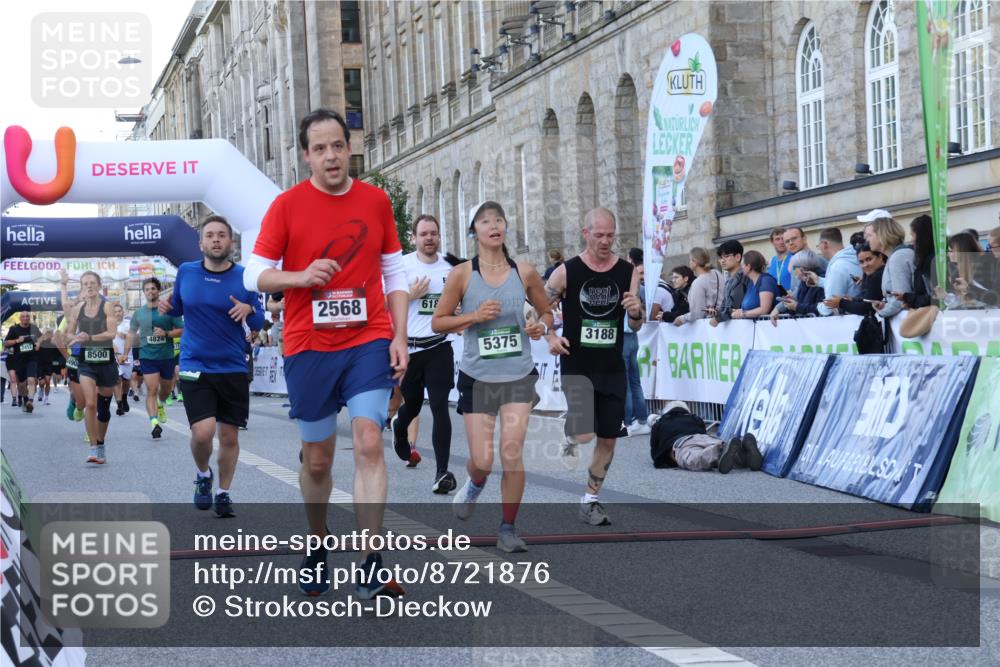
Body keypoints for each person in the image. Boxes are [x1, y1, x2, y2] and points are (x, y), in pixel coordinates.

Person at [243, 108, 409, 598]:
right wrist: (299, 276)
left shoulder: (376, 201)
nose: (332, 156)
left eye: (338, 145)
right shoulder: (287, 206)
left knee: (369, 441)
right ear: (307, 156)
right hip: (309, 345)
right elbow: (253, 275)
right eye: (321, 148)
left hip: (367, 339)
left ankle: (371, 560)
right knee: (317, 460)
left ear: (350, 146)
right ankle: (317, 547)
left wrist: (399, 336)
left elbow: (394, 275)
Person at [432, 201, 553, 551]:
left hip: (517, 375)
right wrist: (473, 317)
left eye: (499, 219)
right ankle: (474, 484)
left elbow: (548, 311)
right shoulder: (462, 275)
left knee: (511, 452)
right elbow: (440, 322)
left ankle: (507, 529)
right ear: (475, 231)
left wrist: (540, 326)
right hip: (479, 376)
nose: (494, 225)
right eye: (485, 221)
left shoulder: (525, 271)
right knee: (483, 461)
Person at [545, 207, 644, 527]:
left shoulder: (627, 271)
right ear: (585, 233)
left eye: (610, 235)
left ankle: (590, 499)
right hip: (577, 362)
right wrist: (549, 334)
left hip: (611, 364)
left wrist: (636, 311)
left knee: (608, 437)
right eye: (599, 235)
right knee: (585, 432)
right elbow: (539, 310)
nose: (605, 241)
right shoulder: (565, 272)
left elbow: (637, 325)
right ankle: (573, 428)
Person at [160, 216, 263, 518]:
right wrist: (168, 307)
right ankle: (203, 474)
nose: (216, 240)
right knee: (203, 433)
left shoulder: (245, 277)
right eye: (210, 235)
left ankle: (224, 493)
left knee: (229, 437)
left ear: (231, 243)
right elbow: (179, 305)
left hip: (232, 365)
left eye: (222, 235)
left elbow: (257, 320)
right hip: (195, 363)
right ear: (201, 243)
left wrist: (249, 309)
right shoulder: (187, 272)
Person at [391, 213, 458, 492]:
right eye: (424, 234)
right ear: (414, 238)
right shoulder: (402, 265)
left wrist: (461, 316)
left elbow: (462, 299)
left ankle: (442, 473)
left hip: (439, 346)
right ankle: (399, 428)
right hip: (410, 349)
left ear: (439, 236)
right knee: (414, 404)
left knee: (441, 405)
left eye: (433, 233)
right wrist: (410, 295)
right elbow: (383, 304)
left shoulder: (451, 266)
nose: (429, 238)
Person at [64, 272, 119, 464]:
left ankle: (101, 443)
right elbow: (69, 334)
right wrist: (75, 337)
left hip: (106, 362)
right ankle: (93, 447)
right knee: (90, 403)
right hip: (86, 363)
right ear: (81, 287)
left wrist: (89, 338)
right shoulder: (77, 308)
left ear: (99, 285)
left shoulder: (107, 306)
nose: (89, 286)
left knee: (103, 410)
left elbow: (112, 333)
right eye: (85, 283)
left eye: (92, 283)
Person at [126, 277, 184, 438]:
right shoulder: (139, 313)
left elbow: (182, 329)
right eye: (147, 289)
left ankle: (161, 404)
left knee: (165, 390)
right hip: (147, 356)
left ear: (158, 291)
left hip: (166, 356)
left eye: (153, 288)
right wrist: (125, 353)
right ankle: (154, 423)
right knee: (152, 389)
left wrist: (166, 333)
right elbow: (131, 334)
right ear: (144, 292)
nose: (150, 291)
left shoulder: (169, 309)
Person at [649, 401, 762, 473]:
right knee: (717, 446)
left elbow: (655, 451)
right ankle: (742, 452)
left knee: (695, 457)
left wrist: (662, 461)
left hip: (682, 443)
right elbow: (702, 431)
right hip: (703, 437)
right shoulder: (695, 418)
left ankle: (720, 451)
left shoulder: (660, 423)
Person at [623, 248, 651, 436]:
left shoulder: (624, 290)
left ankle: (629, 420)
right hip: (632, 336)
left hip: (624, 337)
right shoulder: (637, 290)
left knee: (625, 382)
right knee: (635, 381)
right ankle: (641, 419)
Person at [863, 216, 913, 318]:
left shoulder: (898, 257)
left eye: (869, 235)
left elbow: (901, 298)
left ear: (882, 235)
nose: (867, 240)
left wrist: (881, 313)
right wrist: (885, 305)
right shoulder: (895, 256)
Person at [826, 243, 886, 316]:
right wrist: (853, 299)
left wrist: (841, 303)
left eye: (869, 259)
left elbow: (865, 307)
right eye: (861, 262)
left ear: (880, 257)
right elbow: (868, 299)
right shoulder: (872, 275)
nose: (865, 265)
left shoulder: (877, 276)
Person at [814, 228, 861, 315]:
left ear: (825, 244)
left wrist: (799, 307)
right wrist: (819, 281)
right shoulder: (855, 258)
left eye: (818, 246)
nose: (819, 249)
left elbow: (828, 307)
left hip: (848, 321)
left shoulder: (837, 267)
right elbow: (846, 283)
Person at [770, 250, 825, 323]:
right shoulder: (804, 282)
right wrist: (789, 305)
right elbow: (800, 309)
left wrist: (796, 306)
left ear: (802, 268)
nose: (793, 271)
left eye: (794, 268)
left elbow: (822, 309)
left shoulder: (821, 282)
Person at [4, 312, 41, 413]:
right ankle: (25, 398)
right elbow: (6, 343)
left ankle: (30, 401)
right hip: (19, 360)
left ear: (29, 318)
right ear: (20, 318)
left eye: (27, 316)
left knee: (31, 380)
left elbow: (41, 338)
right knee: (21, 385)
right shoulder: (14, 329)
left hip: (31, 358)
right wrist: (16, 341)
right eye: (23, 317)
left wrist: (38, 343)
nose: (25, 318)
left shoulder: (34, 328)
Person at [675, 248, 723, 326]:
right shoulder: (717, 273)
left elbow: (697, 313)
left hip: (708, 326)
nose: (689, 262)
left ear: (695, 262)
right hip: (722, 321)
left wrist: (681, 318)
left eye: (690, 260)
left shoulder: (698, 283)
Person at [731, 250, 777, 320]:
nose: (741, 267)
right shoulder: (750, 283)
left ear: (748, 266)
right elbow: (748, 308)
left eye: (743, 264)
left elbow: (764, 309)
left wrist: (743, 314)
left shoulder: (766, 280)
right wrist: (739, 311)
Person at [711, 240, 749, 324]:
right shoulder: (729, 280)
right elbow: (725, 304)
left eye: (726, 256)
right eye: (720, 257)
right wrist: (715, 312)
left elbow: (735, 305)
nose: (722, 260)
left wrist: (718, 318)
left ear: (738, 257)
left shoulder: (743, 277)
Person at [783, 227, 827, 294]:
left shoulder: (818, 260)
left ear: (804, 239)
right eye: (787, 241)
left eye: (794, 238)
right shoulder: (793, 264)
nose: (791, 243)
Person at [111, 303, 132, 416]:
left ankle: (124, 398)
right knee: (117, 379)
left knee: (126, 380)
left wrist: (121, 334)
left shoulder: (128, 324)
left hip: (128, 355)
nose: (118, 313)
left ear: (123, 312)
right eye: (115, 311)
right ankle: (119, 405)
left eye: (119, 311)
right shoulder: (109, 325)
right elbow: (110, 341)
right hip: (115, 356)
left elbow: (133, 338)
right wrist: (118, 354)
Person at [767, 227, 793, 292]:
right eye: (777, 239)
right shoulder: (771, 261)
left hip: (791, 299)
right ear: (772, 242)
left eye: (783, 239)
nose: (781, 242)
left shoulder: (794, 258)